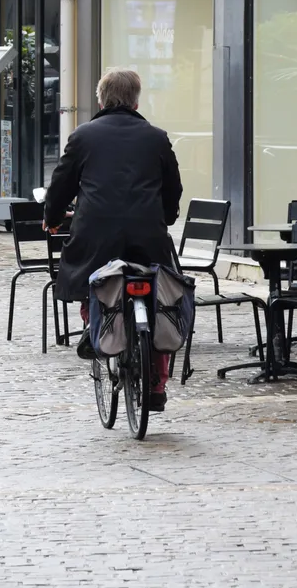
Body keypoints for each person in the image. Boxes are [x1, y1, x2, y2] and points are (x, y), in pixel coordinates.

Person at [43, 68, 182, 412]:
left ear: (100, 99)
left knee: (93, 283)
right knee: (159, 303)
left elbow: (62, 185)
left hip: (96, 236)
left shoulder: (83, 136)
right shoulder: (157, 137)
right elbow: (172, 188)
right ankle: (157, 384)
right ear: (136, 100)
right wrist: (166, 217)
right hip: (147, 236)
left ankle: (96, 332)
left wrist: (52, 217)